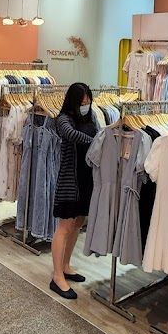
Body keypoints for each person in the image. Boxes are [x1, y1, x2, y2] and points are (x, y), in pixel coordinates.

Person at [49, 82, 98, 299]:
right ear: (74, 100)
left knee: (78, 223)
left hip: (87, 178)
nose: (86, 102)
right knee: (65, 225)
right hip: (71, 179)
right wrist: (99, 141)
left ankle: (66, 265)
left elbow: (99, 132)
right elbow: (73, 135)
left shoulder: (91, 116)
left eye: (88, 98)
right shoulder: (63, 120)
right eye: (83, 99)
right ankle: (57, 276)